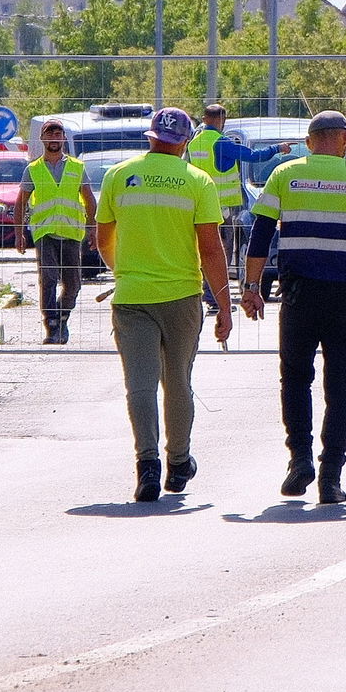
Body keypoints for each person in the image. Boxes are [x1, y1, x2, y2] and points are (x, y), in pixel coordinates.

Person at [239, 109, 346, 506]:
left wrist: (251, 288)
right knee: (340, 386)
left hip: (298, 294)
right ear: (344, 141)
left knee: (295, 379)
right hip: (345, 295)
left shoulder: (284, 175)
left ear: (308, 141)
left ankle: (299, 459)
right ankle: (331, 476)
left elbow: (261, 235)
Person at [96, 107, 233, 503]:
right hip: (182, 297)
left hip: (133, 296)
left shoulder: (119, 176)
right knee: (177, 382)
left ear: (150, 137)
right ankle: (178, 463)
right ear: (186, 142)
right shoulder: (197, 181)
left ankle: (148, 465)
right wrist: (223, 306)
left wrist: (123, 269)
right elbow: (210, 249)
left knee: (139, 384)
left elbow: (104, 237)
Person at [186, 103, 296, 285]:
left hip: (198, 203)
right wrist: (278, 149)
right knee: (223, 249)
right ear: (222, 120)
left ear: (204, 119)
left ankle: (203, 289)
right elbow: (253, 155)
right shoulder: (221, 143)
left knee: (203, 249)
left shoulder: (195, 142)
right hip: (221, 207)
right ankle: (214, 294)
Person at [9, 117, 95, 344]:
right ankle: (52, 325)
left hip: (71, 233)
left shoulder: (77, 167)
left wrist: (93, 230)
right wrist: (19, 234)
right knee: (47, 278)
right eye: (50, 134)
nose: (54, 138)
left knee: (73, 284)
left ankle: (62, 316)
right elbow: (20, 203)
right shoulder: (33, 169)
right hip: (45, 233)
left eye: (58, 134)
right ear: (42, 138)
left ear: (64, 138)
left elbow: (89, 200)